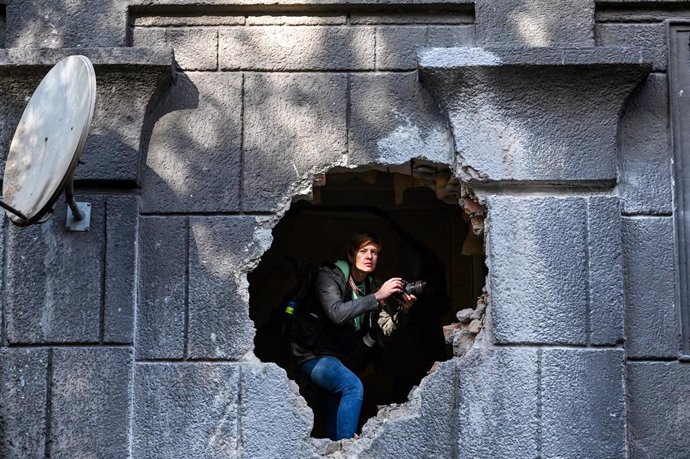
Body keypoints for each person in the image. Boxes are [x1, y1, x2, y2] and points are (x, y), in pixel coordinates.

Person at [290, 232, 417, 440]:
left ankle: (337, 446)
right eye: (363, 251)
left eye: (374, 252)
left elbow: (384, 330)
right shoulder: (329, 276)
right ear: (351, 256)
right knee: (351, 386)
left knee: (334, 412)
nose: (370, 256)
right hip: (311, 354)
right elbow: (337, 313)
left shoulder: (371, 285)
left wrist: (403, 311)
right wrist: (377, 296)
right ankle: (347, 448)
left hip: (339, 357)